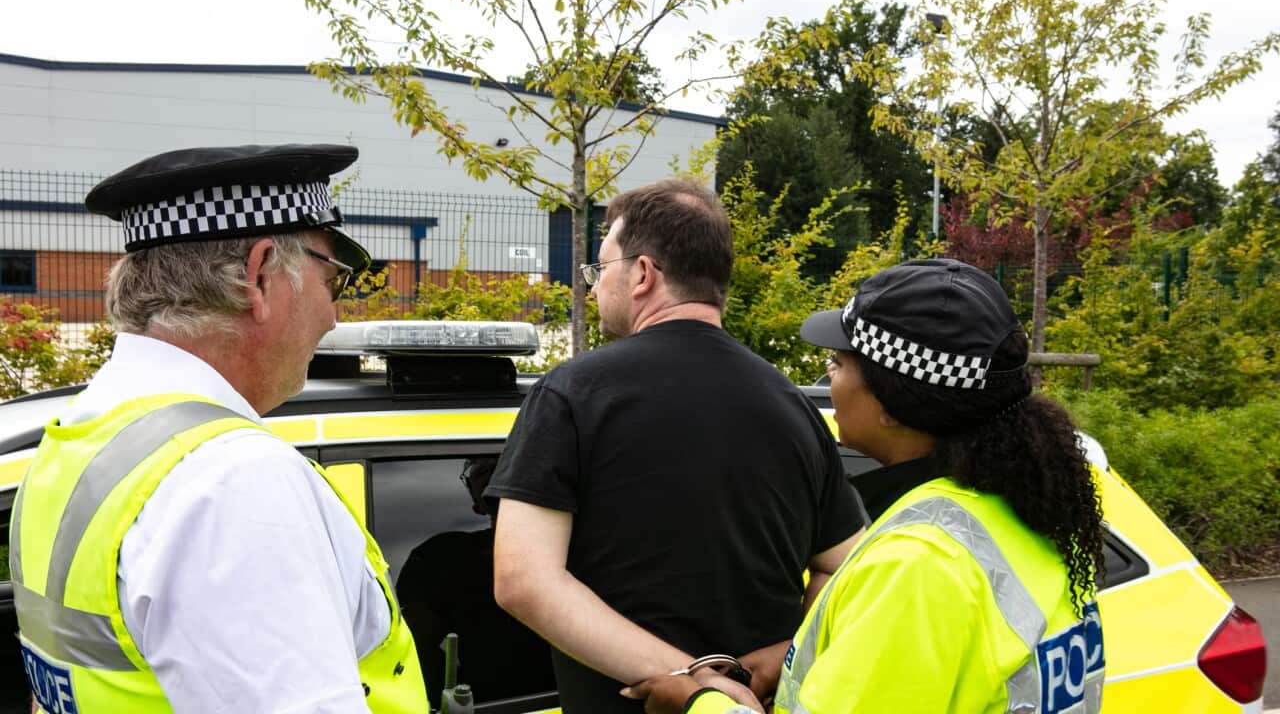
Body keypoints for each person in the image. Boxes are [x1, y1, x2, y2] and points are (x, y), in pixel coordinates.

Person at [8, 144, 427, 713]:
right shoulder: (231, 480)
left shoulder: (79, 439)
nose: (333, 315)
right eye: (334, 280)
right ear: (257, 277)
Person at [628, 258, 1107, 714]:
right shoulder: (1024, 514)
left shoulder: (917, 562)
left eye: (838, 362)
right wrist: (804, 656)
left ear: (893, 404)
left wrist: (695, 703)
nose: (828, 377)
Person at [485, 179, 868, 713]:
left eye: (600, 270)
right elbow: (849, 569)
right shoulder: (792, 404)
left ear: (642, 274)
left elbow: (523, 580)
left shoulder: (572, 395)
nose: (592, 289)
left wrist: (689, 681)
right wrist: (786, 653)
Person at [396, 457, 556, 704]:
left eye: (502, 464)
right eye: (480, 470)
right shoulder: (439, 557)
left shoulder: (574, 551)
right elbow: (412, 648)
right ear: (476, 504)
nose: (494, 471)